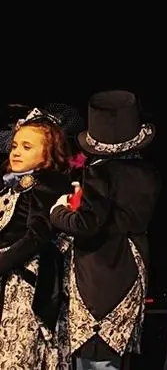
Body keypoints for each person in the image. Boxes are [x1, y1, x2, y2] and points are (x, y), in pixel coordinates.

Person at [50, 90, 160, 370]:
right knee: (116, 354)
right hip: (132, 263)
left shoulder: (99, 173)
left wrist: (58, 211)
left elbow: (86, 225)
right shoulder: (148, 172)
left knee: (95, 351)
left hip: (101, 268)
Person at [0, 108, 72, 369]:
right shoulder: (9, 182)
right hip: (6, 276)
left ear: (48, 153)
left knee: (17, 355)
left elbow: (37, 235)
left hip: (24, 282)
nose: (16, 152)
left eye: (27, 147)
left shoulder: (47, 184)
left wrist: (3, 262)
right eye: (15, 145)